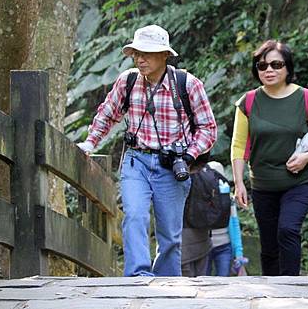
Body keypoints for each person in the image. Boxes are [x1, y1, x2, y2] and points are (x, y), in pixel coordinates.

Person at [77, 24, 217, 276]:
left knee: (170, 237)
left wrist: (187, 156)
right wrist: (90, 143)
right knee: (135, 216)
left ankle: (165, 287)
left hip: (173, 167)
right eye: (136, 53)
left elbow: (208, 128)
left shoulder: (188, 84)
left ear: (165, 55)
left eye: (147, 53)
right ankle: (138, 278)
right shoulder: (127, 81)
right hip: (136, 161)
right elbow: (107, 114)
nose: (140, 59)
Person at [230, 40, 308, 276]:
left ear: (287, 68)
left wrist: (307, 155)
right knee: (269, 244)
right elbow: (239, 145)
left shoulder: (305, 97)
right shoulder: (249, 102)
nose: (269, 70)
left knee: (287, 229)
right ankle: (272, 293)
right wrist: (239, 182)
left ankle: (292, 289)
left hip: (299, 181)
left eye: (276, 64)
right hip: (263, 184)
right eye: (262, 66)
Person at [204, 161, 246, 277]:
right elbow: (235, 226)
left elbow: (234, 225)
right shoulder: (202, 197)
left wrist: (239, 254)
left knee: (217, 281)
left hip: (222, 247)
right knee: (210, 280)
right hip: (207, 247)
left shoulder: (227, 199)